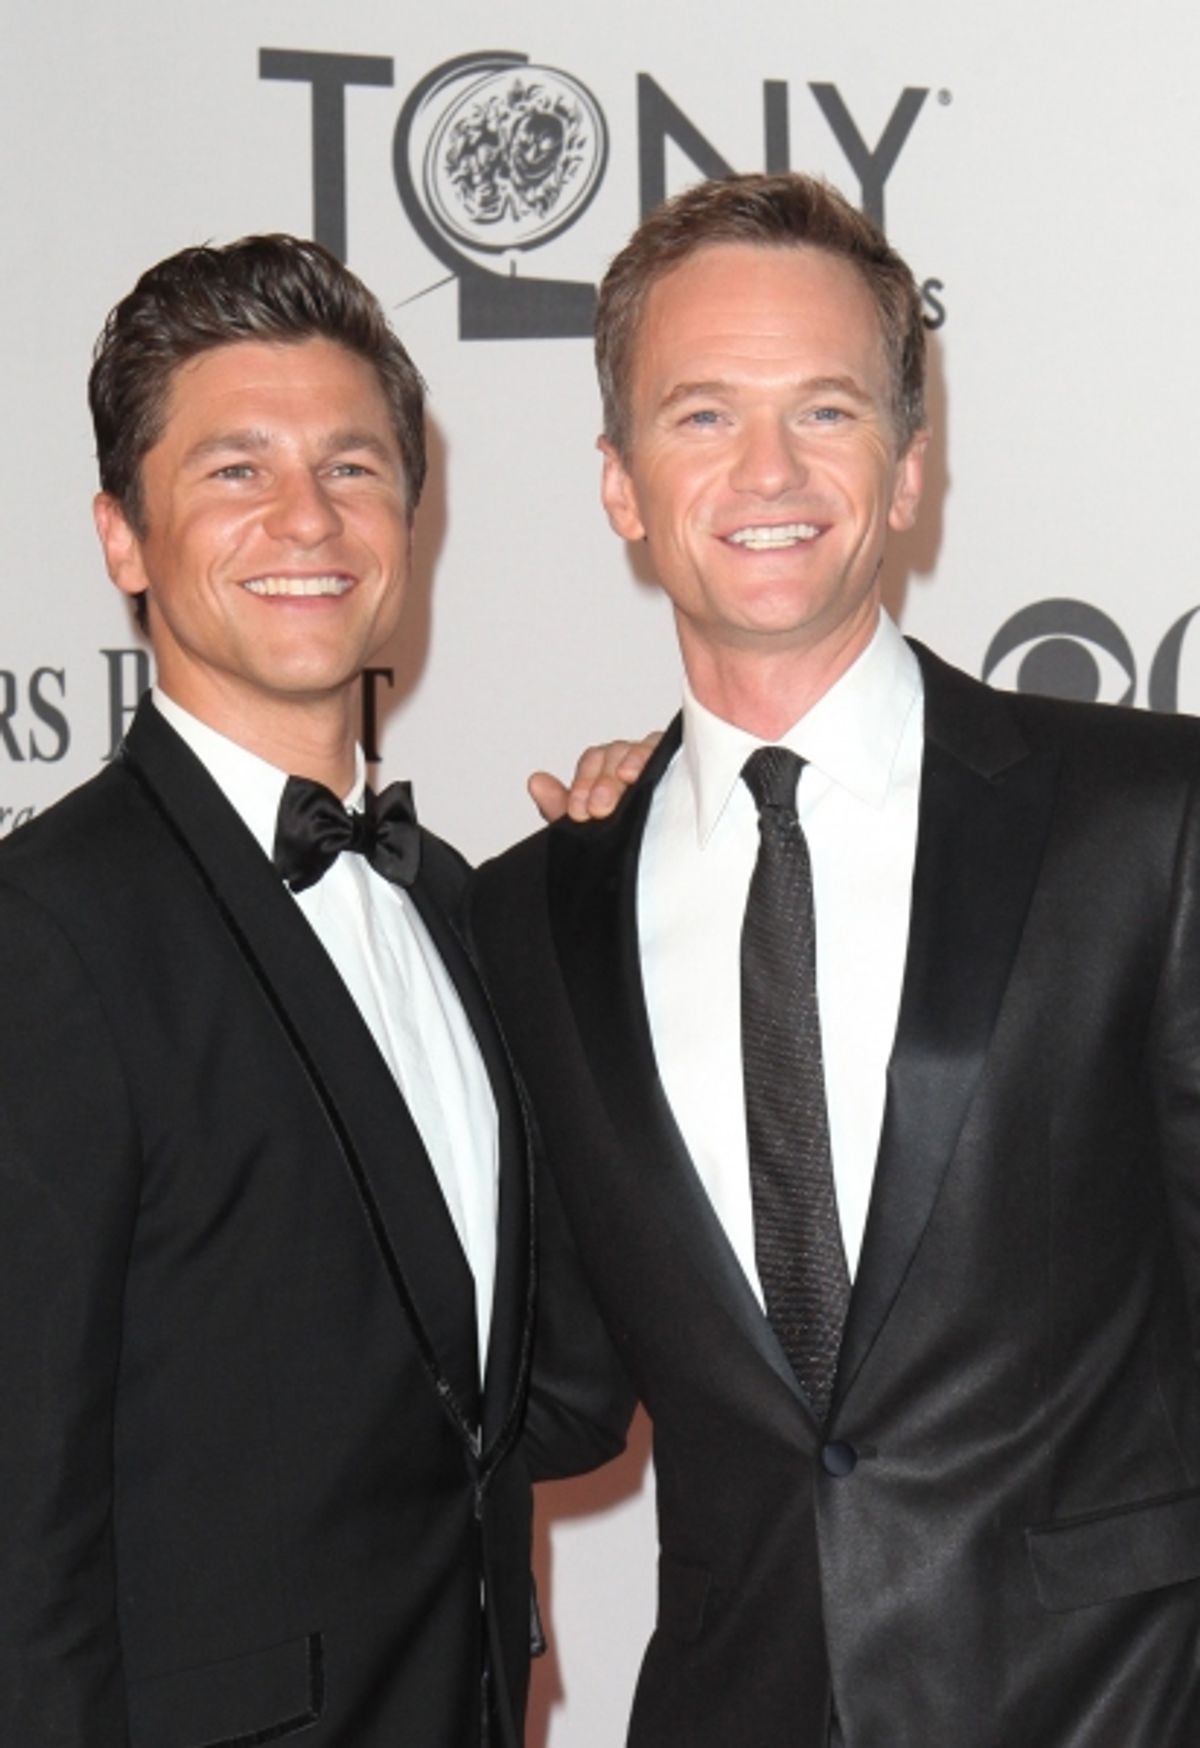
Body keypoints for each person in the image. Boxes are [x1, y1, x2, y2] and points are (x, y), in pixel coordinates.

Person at [469, 171, 1200, 1747]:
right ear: (620, 483)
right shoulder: (529, 919)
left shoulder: (1151, 822)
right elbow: (552, 1393)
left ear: (909, 466)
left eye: (825, 410)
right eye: (703, 415)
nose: (768, 471)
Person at [0, 234, 632, 1747]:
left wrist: (618, 930)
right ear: (123, 537)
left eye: (353, 468)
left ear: (411, 515)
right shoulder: (47, 933)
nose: (307, 517)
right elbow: (20, 1535)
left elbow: (553, 1406)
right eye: (237, 470)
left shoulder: (462, 905)